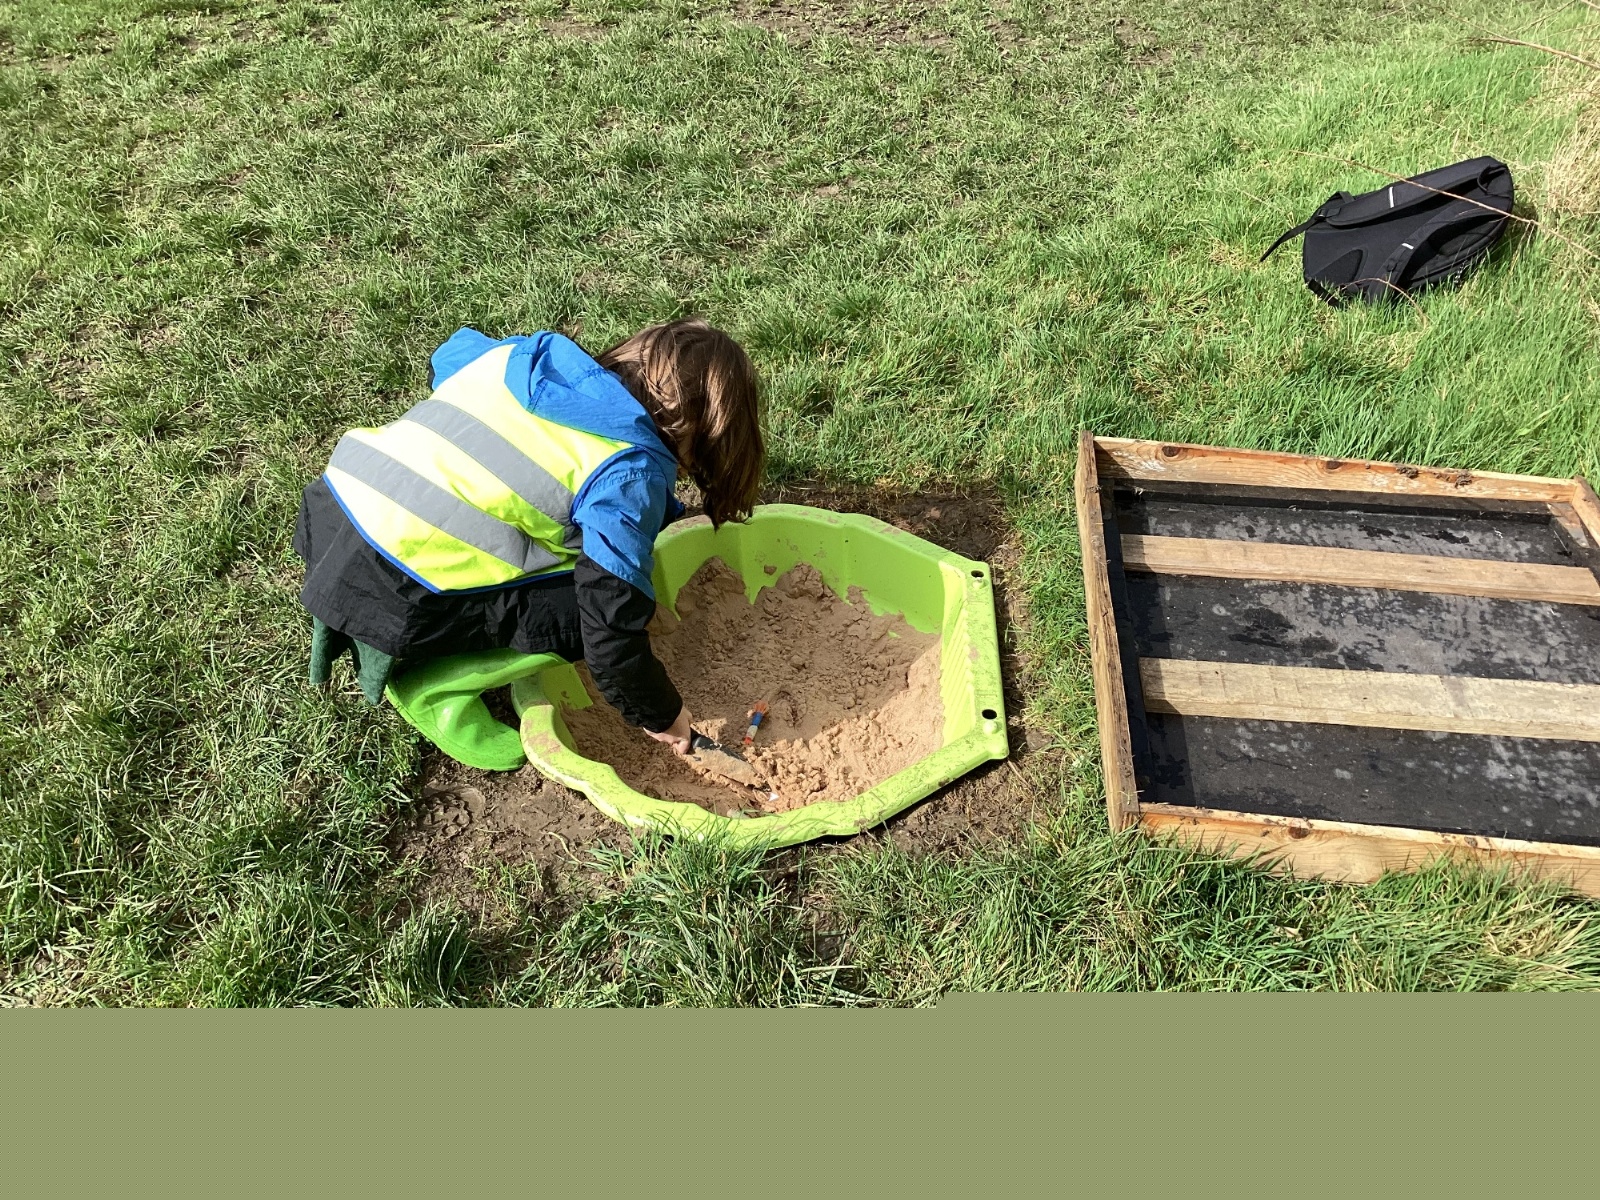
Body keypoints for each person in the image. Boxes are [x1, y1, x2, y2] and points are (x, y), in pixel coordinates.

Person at [293, 318, 764, 756]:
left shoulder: (524, 358)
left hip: (332, 514)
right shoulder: (626, 473)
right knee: (590, 606)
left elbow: (449, 355)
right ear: (704, 434)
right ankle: (434, 688)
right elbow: (609, 639)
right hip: (392, 588)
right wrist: (666, 718)